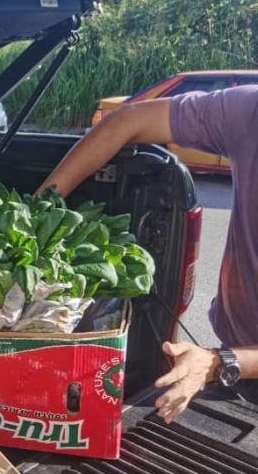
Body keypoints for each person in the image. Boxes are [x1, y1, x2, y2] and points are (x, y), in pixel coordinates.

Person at [37, 85, 258, 424]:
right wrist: (38, 212)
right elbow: (129, 120)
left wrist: (218, 362)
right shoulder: (249, 110)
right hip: (233, 356)